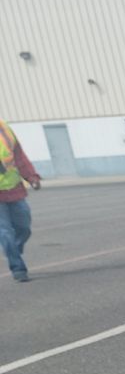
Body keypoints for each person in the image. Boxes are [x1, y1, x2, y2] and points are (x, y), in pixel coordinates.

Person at [0, 117, 43, 283]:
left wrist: (31, 177)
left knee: (24, 228)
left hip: (14, 189)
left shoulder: (4, 128)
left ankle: (13, 251)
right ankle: (18, 268)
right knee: (5, 233)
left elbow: (19, 156)